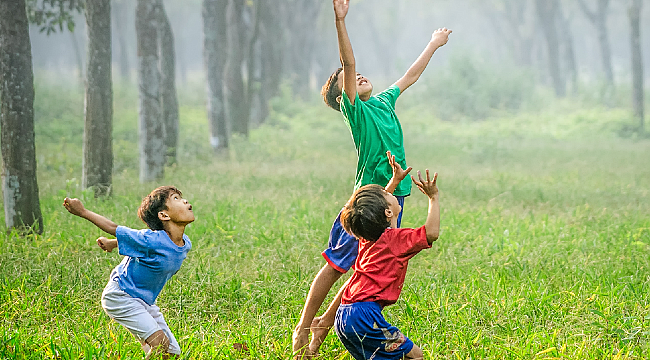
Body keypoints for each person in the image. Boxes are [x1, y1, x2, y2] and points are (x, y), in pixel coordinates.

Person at [292, 0, 451, 356]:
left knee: (366, 268)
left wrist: (433, 43)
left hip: (396, 194)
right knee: (336, 266)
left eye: (357, 76)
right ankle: (303, 328)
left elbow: (409, 76)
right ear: (342, 95)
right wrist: (340, 20)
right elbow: (349, 62)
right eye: (346, 80)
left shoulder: (383, 102)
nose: (357, 75)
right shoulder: (356, 110)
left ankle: (323, 332)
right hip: (366, 201)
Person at [62, 186, 194, 359]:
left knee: (172, 353)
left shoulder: (185, 243)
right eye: (176, 198)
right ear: (164, 215)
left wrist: (111, 243)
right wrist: (83, 211)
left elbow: (139, 244)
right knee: (161, 345)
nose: (184, 201)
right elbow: (114, 227)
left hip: (144, 301)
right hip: (121, 296)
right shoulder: (152, 239)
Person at [335, 169, 440, 360]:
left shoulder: (368, 237)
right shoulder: (396, 240)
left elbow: (375, 211)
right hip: (364, 316)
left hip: (343, 316)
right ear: (388, 211)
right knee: (415, 355)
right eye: (388, 194)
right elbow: (431, 233)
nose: (390, 193)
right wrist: (433, 198)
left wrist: (395, 180)